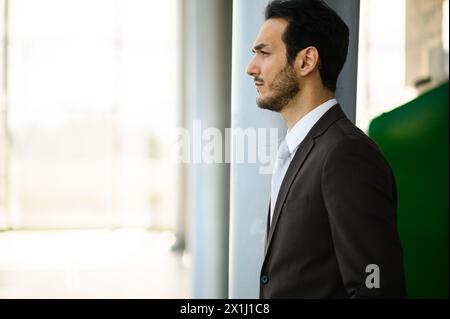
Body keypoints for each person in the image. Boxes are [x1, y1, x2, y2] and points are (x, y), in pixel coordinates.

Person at [246, 0, 406, 298]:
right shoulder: (301, 151)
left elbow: (376, 286)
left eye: (264, 53)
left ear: (306, 61)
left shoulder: (347, 154)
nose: (250, 67)